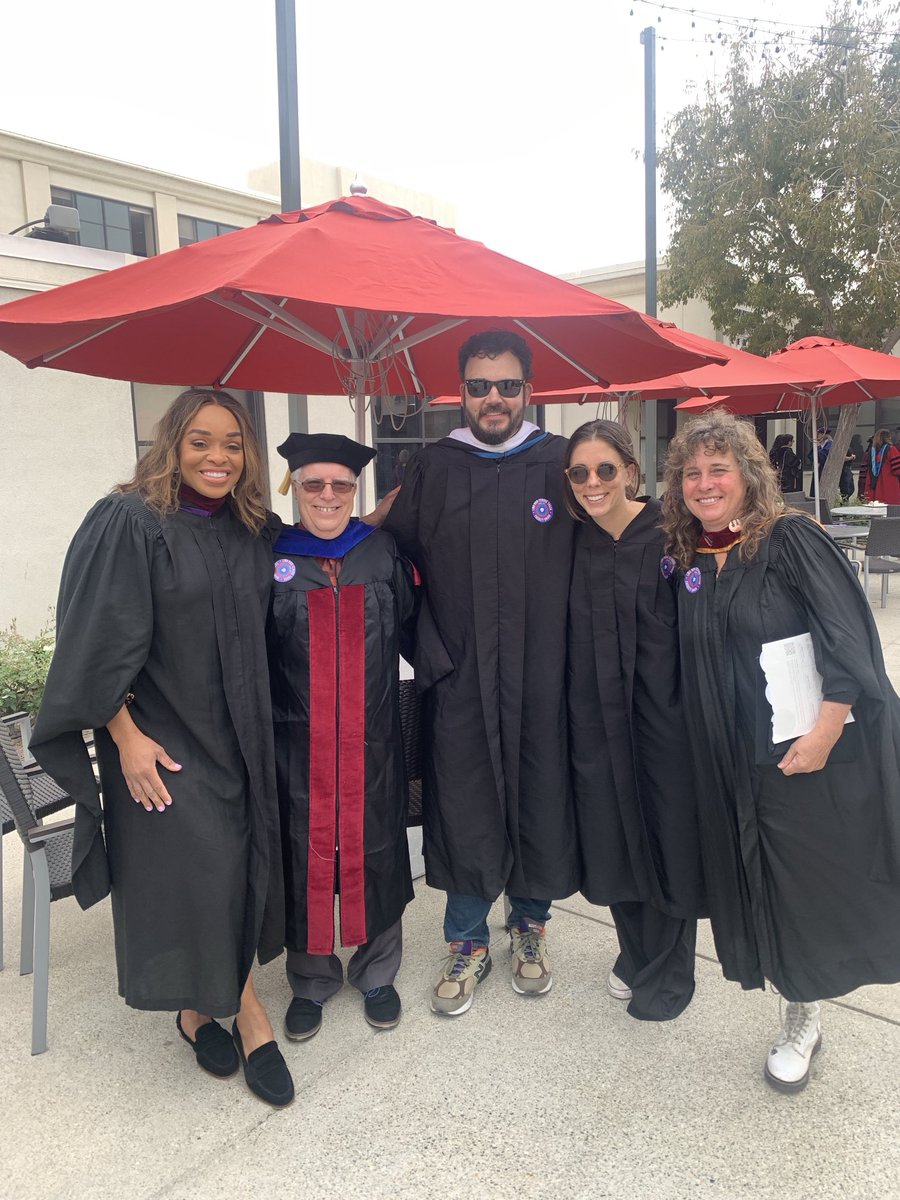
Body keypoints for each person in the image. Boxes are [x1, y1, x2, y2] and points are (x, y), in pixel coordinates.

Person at [29, 389, 293, 1108]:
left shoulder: (249, 528)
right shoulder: (128, 522)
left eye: (234, 444)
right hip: (163, 736)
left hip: (241, 732)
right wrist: (125, 738)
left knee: (236, 868)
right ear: (171, 444)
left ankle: (193, 1010)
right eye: (201, 441)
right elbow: (91, 640)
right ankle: (252, 1017)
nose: (218, 457)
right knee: (204, 868)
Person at [660, 409, 900, 1093]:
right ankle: (794, 997)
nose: (705, 483)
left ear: (747, 475)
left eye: (718, 468)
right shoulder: (690, 560)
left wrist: (826, 730)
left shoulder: (790, 539)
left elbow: (849, 641)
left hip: (798, 753)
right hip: (730, 758)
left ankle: (804, 1014)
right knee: (759, 880)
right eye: (692, 473)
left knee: (805, 885)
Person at [384, 329, 578, 1016]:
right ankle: (466, 940)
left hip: (540, 673)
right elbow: (388, 561)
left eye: (506, 386)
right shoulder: (435, 467)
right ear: (459, 392)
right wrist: (425, 646)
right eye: (478, 386)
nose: (492, 399)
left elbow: (614, 542)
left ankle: (528, 926)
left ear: (529, 391)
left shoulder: (562, 465)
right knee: (464, 802)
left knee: (537, 791)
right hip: (459, 673)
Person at [266, 433, 417, 1041]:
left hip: (371, 738)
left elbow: (411, 627)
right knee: (303, 852)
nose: (328, 496)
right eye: (314, 484)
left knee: (377, 848)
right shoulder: (271, 556)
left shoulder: (380, 553)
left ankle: (377, 972)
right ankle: (310, 979)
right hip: (295, 743)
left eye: (341, 486)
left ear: (356, 492)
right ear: (295, 489)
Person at [564, 420, 704, 1021]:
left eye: (605, 470)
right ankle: (633, 951)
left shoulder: (673, 536)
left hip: (664, 720)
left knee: (668, 840)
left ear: (631, 471)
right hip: (595, 720)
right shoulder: (573, 542)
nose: (592, 484)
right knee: (612, 838)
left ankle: (670, 973)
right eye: (579, 473)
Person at [859, 428, 900, 503]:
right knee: (890, 511)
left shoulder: (869, 452)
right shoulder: (892, 450)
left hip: (872, 485)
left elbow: (863, 473)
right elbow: (897, 470)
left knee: (876, 509)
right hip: (888, 485)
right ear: (887, 437)